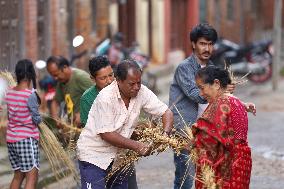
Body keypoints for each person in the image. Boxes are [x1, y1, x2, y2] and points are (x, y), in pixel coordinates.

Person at [77, 59, 174, 189]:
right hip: (94, 156)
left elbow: (166, 112)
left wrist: (165, 134)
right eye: (131, 84)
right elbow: (107, 134)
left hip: (119, 157)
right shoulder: (105, 98)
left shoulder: (142, 91)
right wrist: (137, 146)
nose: (136, 87)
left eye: (139, 82)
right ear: (119, 81)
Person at [169, 23, 219, 189]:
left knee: (206, 176)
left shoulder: (212, 68)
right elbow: (195, 94)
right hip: (185, 129)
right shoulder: (185, 68)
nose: (207, 48)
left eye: (210, 44)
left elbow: (221, 99)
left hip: (206, 130)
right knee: (185, 178)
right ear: (193, 44)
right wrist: (218, 91)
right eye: (203, 44)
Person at [193, 66, 252, 188]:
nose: (201, 93)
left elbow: (207, 139)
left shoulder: (220, 103)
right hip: (242, 162)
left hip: (227, 165)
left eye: (202, 88)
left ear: (216, 83)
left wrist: (193, 141)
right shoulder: (238, 102)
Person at [5, 59, 42, 189]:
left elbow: (9, 114)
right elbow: (36, 119)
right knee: (32, 176)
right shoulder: (30, 95)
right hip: (26, 140)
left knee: (18, 175)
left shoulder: (9, 92)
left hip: (11, 139)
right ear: (32, 74)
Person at [46, 55, 93, 127]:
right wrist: (55, 119)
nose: (55, 78)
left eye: (56, 74)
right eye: (53, 76)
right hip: (74, 126)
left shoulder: (81, 77)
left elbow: (97, 96)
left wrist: (83, 113)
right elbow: (55, 102)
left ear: (65, 67)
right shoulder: (61, 82)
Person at [80, 55, 114, 127]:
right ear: (93, 79)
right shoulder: (87, 99)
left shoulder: (122, 88)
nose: (109, 81)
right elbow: (89, 128)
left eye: (111, 75)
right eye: (103, 78)